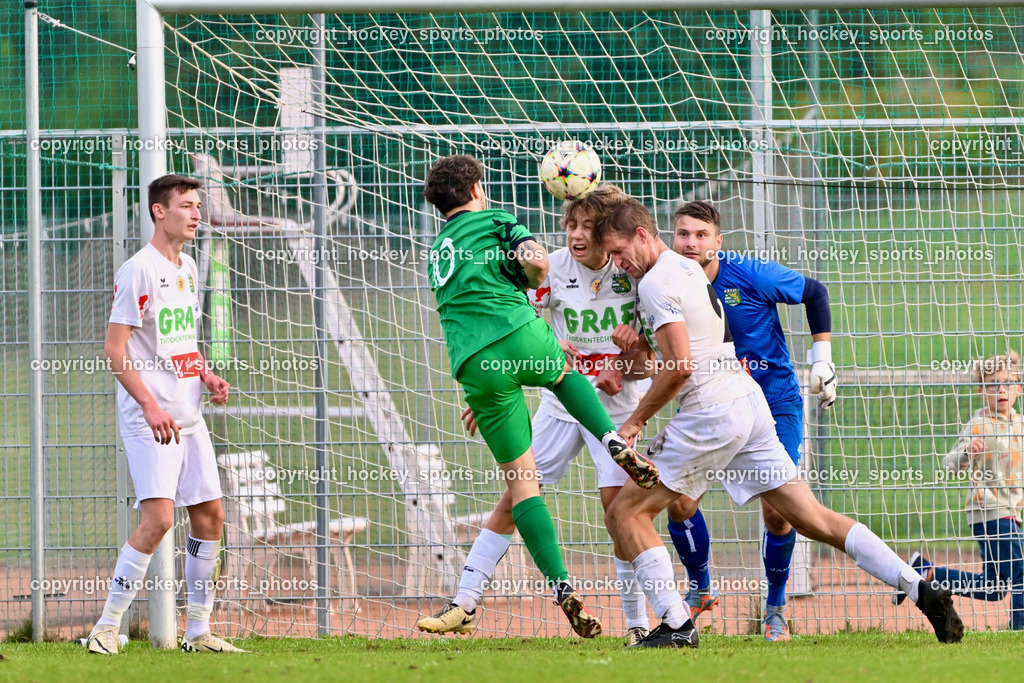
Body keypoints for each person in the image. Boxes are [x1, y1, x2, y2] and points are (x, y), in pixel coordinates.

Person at [595, 198, 963, 648]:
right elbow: (681, 355)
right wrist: (629, 358)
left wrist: (633, 422)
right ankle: (918, 587)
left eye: (617, 251)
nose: (618, 263)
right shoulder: (686, 269)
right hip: (747, 404)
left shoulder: (656, 282)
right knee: (810, 517)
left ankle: (677, 624)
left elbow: (681, 366)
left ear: (641, 235)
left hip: (712, 413)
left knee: (625, 512)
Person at [418, 158, 657, 638]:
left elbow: (659, 356)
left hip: (611, 399)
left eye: (589, 226)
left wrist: (627, 358)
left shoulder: (634, 274)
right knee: (513, 498)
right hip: (558, 395)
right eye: (571, 223)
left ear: (610, 234)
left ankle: (636, 624)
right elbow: (523, 294)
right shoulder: (548, 258)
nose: (576, 233)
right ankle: (465, 599)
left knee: (619, 513)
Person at [662, 200, 836, 640]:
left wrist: (823, 360)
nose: (691, 242)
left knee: (779, 513)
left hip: (773, 401)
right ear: (672, 238)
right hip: (710, 404)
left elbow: (814, 292)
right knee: (678, 501)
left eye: (701, 235)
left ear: (717, 243)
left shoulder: (748, 273)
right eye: (683, 233)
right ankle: (700, 589)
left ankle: (774, 609)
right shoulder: (662, 280)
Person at [86, 174, 243, 654]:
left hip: (188, 417)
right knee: (157, 521)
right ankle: (106, 628)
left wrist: (205, 375)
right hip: (150, 420)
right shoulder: (138, 270)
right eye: (187, 206)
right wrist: (150, 405)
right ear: (160, 211)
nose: (197, 214)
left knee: (211, 516)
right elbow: (115, 351)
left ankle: (197, 632)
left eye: (198, 205)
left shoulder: (190, 266)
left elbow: (179, 343)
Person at [894, 352, 1023, 630]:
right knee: (1022, 571)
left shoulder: (1020, 424)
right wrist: (967, 452)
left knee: (994, 587)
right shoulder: (979, 424)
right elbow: (950, 465)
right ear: (981, 390)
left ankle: (925, 571)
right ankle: (1020, 629)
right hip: (989, 512)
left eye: (1008, 383)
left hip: (1012, 514)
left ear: (1019, 387)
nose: (1001, 390)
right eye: (992, 384)